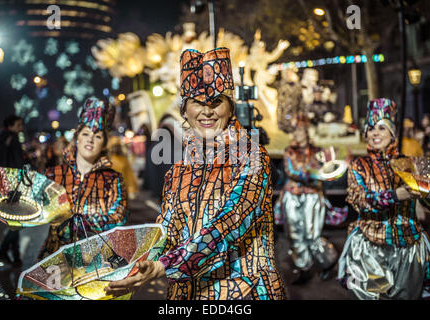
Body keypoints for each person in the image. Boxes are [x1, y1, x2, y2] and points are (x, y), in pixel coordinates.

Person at [105, 47, 286, 300]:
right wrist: (139, 265)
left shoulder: (252, 157)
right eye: (197, 103)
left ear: (230, 108)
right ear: (185, 110)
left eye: (215, 103)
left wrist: (164, 266)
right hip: (185, 294)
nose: (207, 112)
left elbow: (230, 223)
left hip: (243, 292)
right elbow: (166, 229)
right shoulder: (178, 171)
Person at [338, 98, 430, 300]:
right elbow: (360, 200)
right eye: (371, 129)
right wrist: (396, 195)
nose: (375, 133)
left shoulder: (408, 163)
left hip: (408, 247)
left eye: (381, 128)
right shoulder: (359, 166)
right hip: (371, 248)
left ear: (392, 133)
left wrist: (424, 193)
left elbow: (426, 197)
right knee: (375, 296)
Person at [37, 97, 128, 260]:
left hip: (97, 259)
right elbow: (34, 207)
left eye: (98, 136)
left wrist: (79, 221)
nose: (90, 139)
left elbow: (118, 217)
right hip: (56, 259)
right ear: (77, 138)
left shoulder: (113, 179)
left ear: (104, 144)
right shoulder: (53, 175)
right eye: (85, 133)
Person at [280, 113, 338, 284]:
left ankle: (328, 261)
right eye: (294, 131)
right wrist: (314, 173)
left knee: (312, 235)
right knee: (294, 234)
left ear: (306, 132)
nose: (296, 134)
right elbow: (291, 171)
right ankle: (303, 266)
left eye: (299, 130)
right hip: (292, 195)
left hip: (312, 196)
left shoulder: (318, 152)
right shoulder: (289, 151)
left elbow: (327, 171)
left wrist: (325, 172)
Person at [0, 115, 26, 266]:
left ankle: (16, 256)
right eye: (18, 125)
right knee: (16, 222)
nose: (21, 127)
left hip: (4, 183)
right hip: (13, 185)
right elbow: (18, 164)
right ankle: (3, 251)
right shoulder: (13, 139)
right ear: (12, 126)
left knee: (14, 221)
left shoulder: (1, 139)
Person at [108, 136, 138, 200]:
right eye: (114, 146)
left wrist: (131, 188)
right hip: (110, 189)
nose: (116, 148)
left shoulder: (124, 159)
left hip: (123, 189)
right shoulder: (107, 159)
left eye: (117, 146)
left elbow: (129, 174)